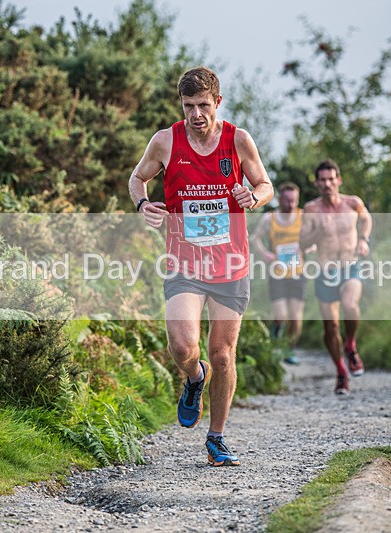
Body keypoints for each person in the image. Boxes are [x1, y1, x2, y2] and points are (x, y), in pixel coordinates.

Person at [128, 66, 273, 466]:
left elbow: (265, 184)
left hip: (231, 265)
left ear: (218, 102)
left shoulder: (238, 140)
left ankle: (217, 437)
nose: (196, 114)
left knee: (223, 354)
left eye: (203, 105)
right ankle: (195, 377)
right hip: (184, 263)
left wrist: (254, 197)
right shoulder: (165, 141)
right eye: (189, 106)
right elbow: (136, 179)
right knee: (182, 346)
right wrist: (143, 204)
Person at [300, 159, 372, 395]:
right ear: (317, 183)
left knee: (350, 304)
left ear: (338, 180)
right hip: (325, 272)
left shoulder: (353, 203)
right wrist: (319, 231)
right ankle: (341, 372)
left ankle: (350, 344)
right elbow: (302, 242)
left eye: (331, 179)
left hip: (349, 266)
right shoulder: (311, 209)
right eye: (322, 180)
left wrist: (364, 239)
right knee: (330, 327)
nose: (327, 184)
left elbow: (366, 218)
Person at [250, 182, 308, 364]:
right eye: (288, 201)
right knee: (281, 315)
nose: (291, 204)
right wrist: (266, 254)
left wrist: (308, 246)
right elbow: (255, 238)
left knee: (296, 319)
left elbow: (315, 238)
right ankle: (276, 338)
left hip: (298, 273)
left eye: (294, 201)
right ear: (280, 199)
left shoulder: (303, 217)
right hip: (278, 274)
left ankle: (288, 350)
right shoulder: (270, 218)